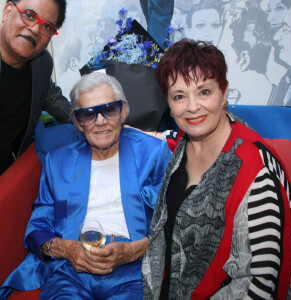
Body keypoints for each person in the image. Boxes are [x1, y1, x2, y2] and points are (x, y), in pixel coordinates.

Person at [142, 39, 291, 299]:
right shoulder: (184, 145)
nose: (192, 107)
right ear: (168, 103)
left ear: (224, 91)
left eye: (204, 92)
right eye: (179, 96)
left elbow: (259, 284)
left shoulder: (256, 173)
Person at [0, 72, 172, 299]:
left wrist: (134, 250)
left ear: (123, 112)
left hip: (132, 267)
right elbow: (39, 224)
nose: (100, 121)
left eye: (109, 109)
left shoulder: (153, 153)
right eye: (88, 114)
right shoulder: (57, 161)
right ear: (78, 123)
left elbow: (173, 217)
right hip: (71, 269)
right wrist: (67, 250)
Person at [0, 0, 72, 175]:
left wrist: (90, 119)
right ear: (8, 11)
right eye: (29, 16)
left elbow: (49, 94)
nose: (34, 29)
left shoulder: (42, 63)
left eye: (46, 27)